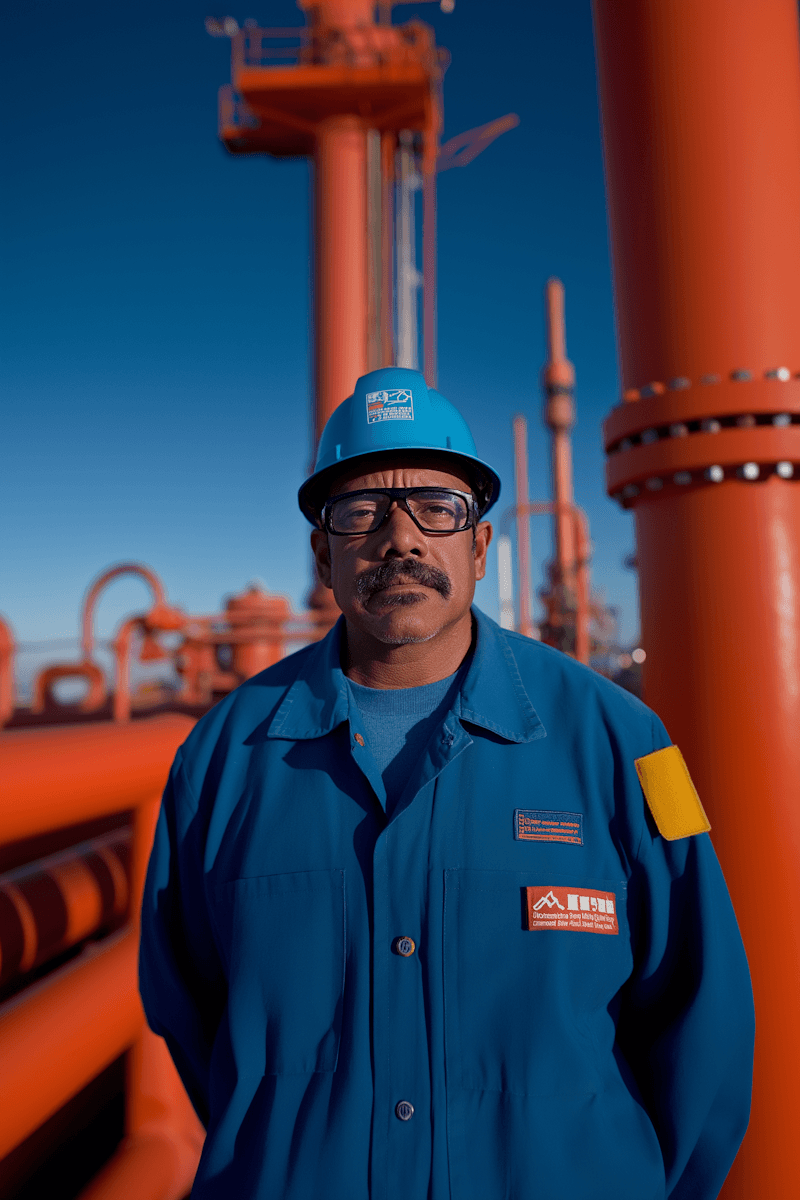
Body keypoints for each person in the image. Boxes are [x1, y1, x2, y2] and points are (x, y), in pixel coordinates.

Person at [139, 366, 754, 1200]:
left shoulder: (627, 744)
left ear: (481, 545)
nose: (401, 538)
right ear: (323, 554)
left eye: (437, 506)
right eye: (361, 511)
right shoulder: (220, 759)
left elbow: (703, 1011)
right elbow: (188, 1009)